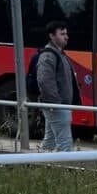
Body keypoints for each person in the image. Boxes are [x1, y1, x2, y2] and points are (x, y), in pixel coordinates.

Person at [35, 21, 81, 152]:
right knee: (65, 143)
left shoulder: (59, 54)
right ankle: (66, 169)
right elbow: (44, 81)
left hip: (57, 105)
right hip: (56, 106)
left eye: (66, 33)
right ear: (51, 36)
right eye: (62, 34)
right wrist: (57, 103)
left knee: (50, 141)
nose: (66, 37)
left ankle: (41, 165)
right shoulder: (49, 55)